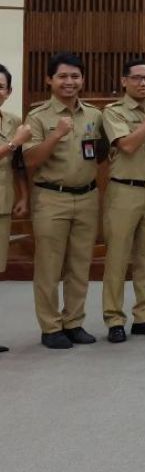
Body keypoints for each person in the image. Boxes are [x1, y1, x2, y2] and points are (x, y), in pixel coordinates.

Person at [22, 52, 105, 349]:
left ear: (82, 79)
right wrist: (56, 134)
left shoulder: (94, 115)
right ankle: (50, 327)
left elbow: (99, 152)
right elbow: (30, 160)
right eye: (63, 76)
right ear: (49, 79)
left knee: (80, 265)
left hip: (87, 196)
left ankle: (74, 322)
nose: (69, 82)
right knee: (49, 267)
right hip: (51, 198)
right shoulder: (38, 115)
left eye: (75, 76)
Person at [100, 58, 145, 343]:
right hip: (124, 191)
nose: (144, 83)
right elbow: (128, 146)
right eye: (137, 78)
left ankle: (144, 318)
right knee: (117, 259)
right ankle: (114, 319)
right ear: (124, 81)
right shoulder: (113, 112)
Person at [0, 63, 32, 353]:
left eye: (1, 86)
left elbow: (19, 164)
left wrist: (23, 196)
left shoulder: (12, 121)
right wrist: (14, 143)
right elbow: (13, 148)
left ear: (9, 92)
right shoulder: (16, 134)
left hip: (3, 204)